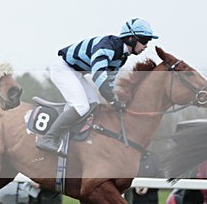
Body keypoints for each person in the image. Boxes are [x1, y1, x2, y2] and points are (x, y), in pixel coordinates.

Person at [36, 18, 159, 156]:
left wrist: (116, 99)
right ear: (131, 38)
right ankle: (48, 138)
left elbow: (110, 81)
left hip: (75, 72)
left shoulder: (122, 57)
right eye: (144, 40)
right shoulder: (109, 45)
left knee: (94, 103)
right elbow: (98, 75)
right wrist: (112, 100)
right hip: (63, 69)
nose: (146, 45)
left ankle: (70, 136)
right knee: (81, 107)